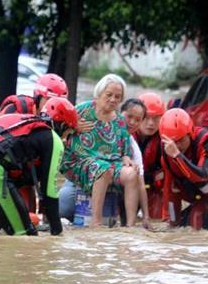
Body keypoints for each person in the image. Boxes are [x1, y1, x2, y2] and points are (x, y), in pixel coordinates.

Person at [0, 97, 78, 236]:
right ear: (62, 125)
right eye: (68, 133)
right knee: (25, 238)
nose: (65, 139)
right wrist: (57, 233)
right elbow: (49, 192)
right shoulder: (53, 138)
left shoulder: (20, 121)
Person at [60, 74, 140, 227]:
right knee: (103, 169)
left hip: (111, 163)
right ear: (100, 93)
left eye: (117, 96)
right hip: (81, 161)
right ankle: (96, 222)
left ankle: (130, 225)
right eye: (109, 95)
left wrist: (126, 158)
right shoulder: (81, 110)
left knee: (131, 173)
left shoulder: (120, 121)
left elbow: (125, 150)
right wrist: (73, 127)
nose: (113, 99)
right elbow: (59, 129)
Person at [134, 93, 166, 219]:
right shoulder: (124, 133)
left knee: (157, 221)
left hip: (154, 189)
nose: (151, 123)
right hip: (129, 187)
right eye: (146, 118)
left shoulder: (166, 139)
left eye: (156, 118)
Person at [120, 98, 151, 228]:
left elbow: (141, 184)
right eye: (129, 116)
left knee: (134, 172)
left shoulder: (133, 147)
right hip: (80, 186)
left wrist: (146, 216)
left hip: (114, 191)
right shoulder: (104, 129)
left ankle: (129, 226)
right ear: (120, 113)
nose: (132, 122)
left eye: (137, 120)